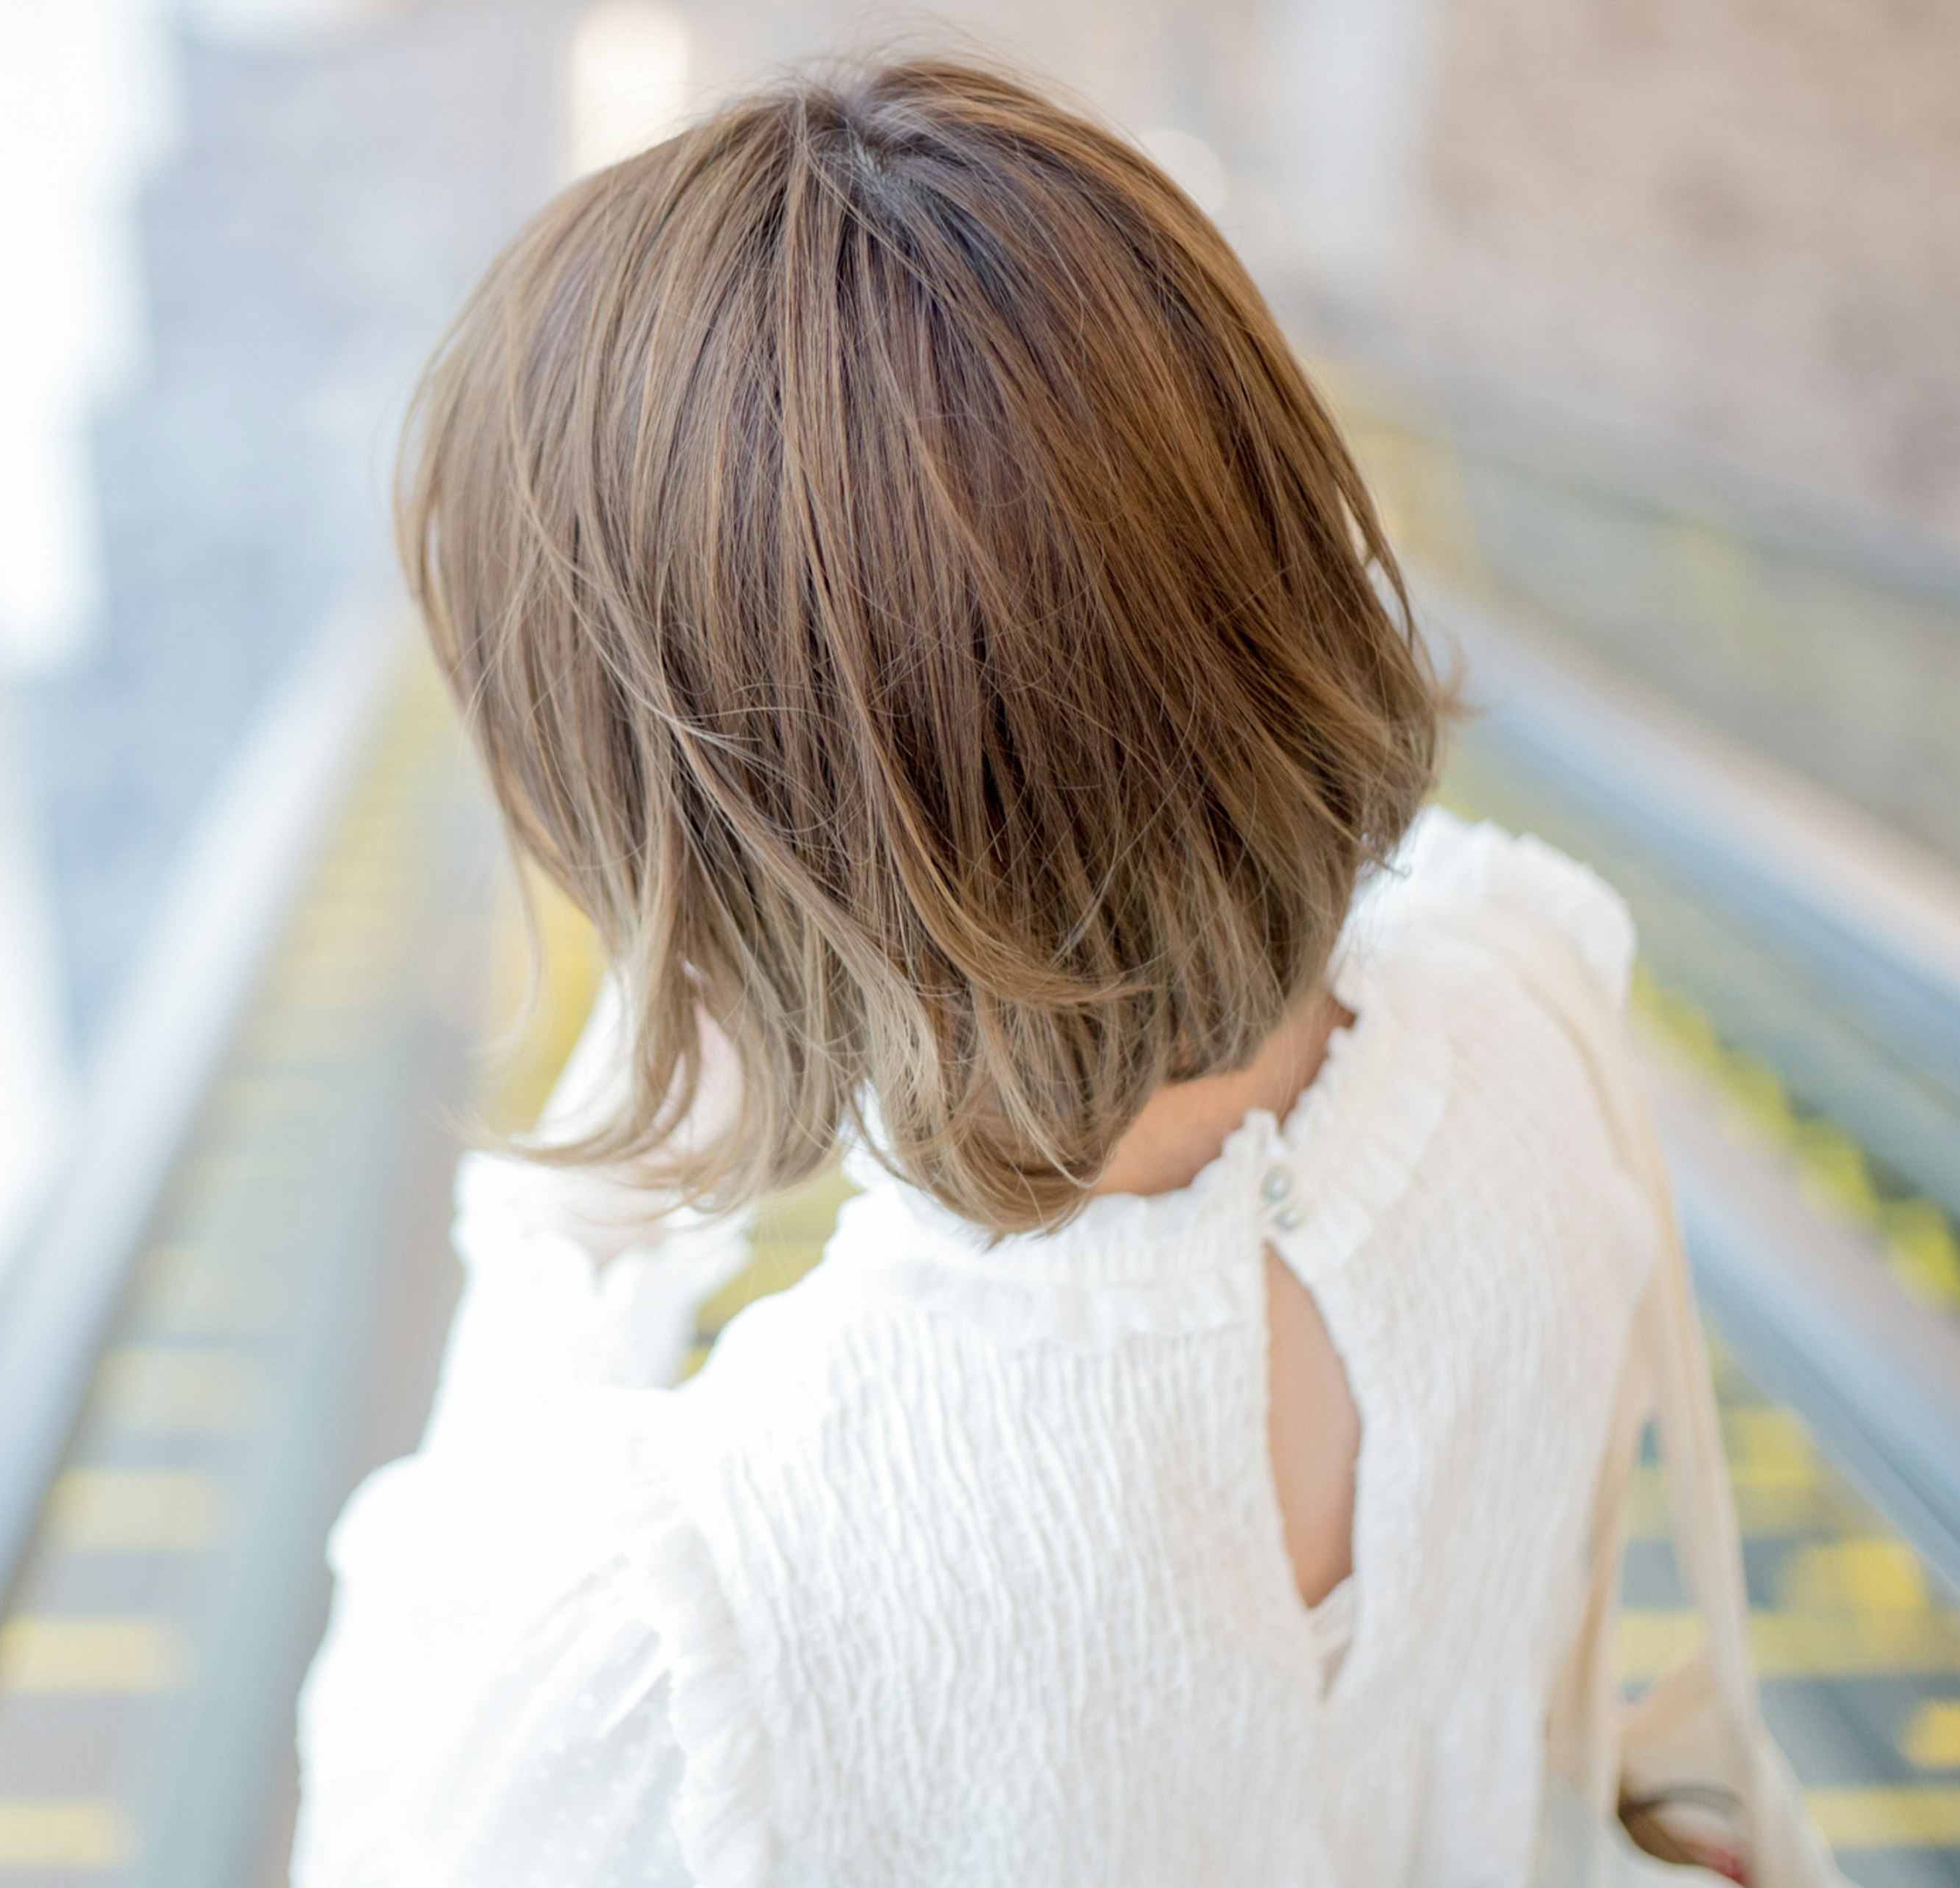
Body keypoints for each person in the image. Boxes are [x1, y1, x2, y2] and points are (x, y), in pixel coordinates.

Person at [297, 57, 1682, 1886]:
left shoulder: (693, 1611)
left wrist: (573, 1241)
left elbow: (385, 1818)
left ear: (712, 841)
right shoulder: (1540, 1000)